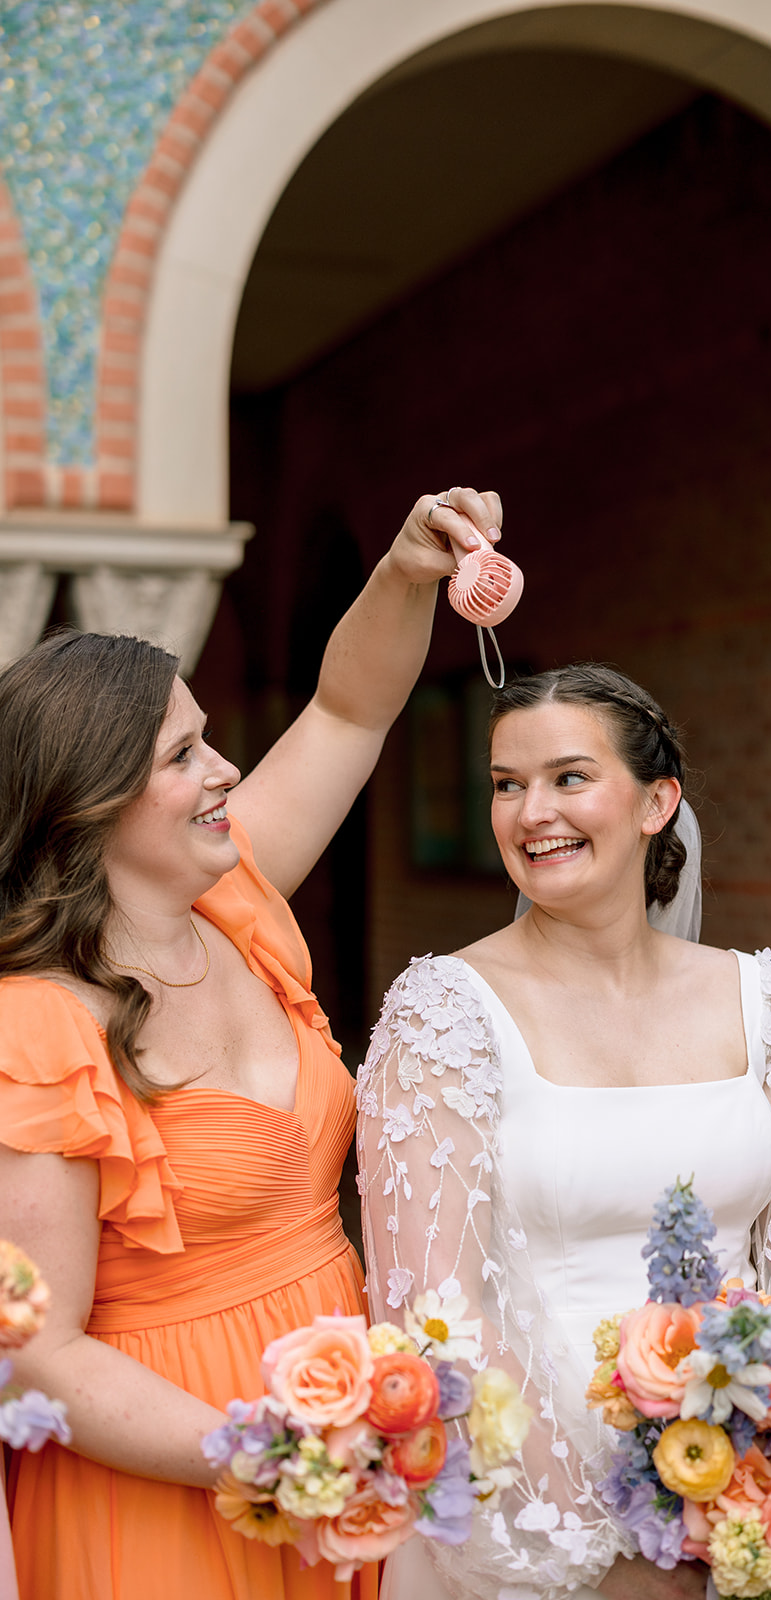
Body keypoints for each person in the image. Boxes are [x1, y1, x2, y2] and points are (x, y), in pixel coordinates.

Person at [0, 486, 503, 1600]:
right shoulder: (37, 1025)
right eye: (186, 754)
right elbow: (34, 1353)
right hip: (168, 1481)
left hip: (344, 1458)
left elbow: (348, 712)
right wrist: (270, 1451)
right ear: (91, 800)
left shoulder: (238, 907)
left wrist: (405, 570)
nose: (225, 770)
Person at [357, 663, 771, 1600]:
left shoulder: (757, 1000)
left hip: (738, 1511)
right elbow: (431, 1312)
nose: (530, 813)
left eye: (567, 778)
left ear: (655, 803)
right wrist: (612, 1536)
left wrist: (760, 1492)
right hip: (522, 1520)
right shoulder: (443, 1014)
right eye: (506, 785)